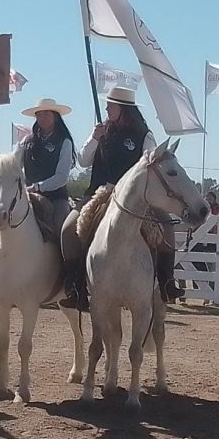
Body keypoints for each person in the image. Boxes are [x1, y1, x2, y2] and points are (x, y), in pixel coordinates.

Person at [60, 86, 181, 310]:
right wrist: (95, 138)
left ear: (123, 108)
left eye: (111, 105)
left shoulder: (144, 135)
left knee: (167, 226)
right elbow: (83, 161)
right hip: (98, 194)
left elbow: (149, 166)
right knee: (68, 230)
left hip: (131, 198)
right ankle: (75, 287)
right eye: (107, 105)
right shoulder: (100, 131)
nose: (106, 108)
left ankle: (167, 282)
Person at [12, 97, 76, 237]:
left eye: (47, 114)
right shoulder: (27, 141)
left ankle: (67, 259)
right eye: (39, 115)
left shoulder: (64, 142)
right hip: (28, 196)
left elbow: (61, 177)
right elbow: (14, 164)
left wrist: (37, 187)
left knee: (62, 228)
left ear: (55, 117)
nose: (42, 118)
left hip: (55, 197)